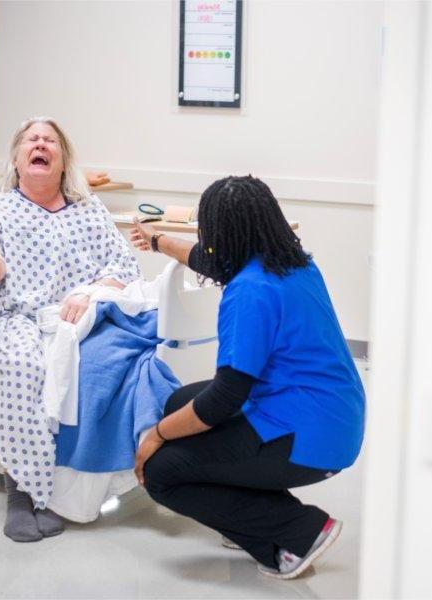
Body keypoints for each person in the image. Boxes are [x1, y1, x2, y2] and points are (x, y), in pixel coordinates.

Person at [129, 175, 365, 580]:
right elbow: (212, 261)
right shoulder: (294, 263)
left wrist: (157, 435)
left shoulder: (250, 291)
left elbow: (225, 398)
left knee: (162, 472)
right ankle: (255, 514)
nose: (204, 239)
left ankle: (298, 531)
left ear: (223, 234)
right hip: (334, 412)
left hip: (308, 437)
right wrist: (157, 241)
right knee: (178, 400)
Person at [0, 117, 140, 542]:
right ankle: (23, 493)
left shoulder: (88, 210)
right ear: (17, 158)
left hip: (76, 318)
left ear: (63, 161)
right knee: (22, 365)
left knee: (118, 362)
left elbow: (124, 267)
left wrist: (91, 291)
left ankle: (91, 482)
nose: (41, 144)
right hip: (11, 317)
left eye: (50, 141)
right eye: (32, 140)